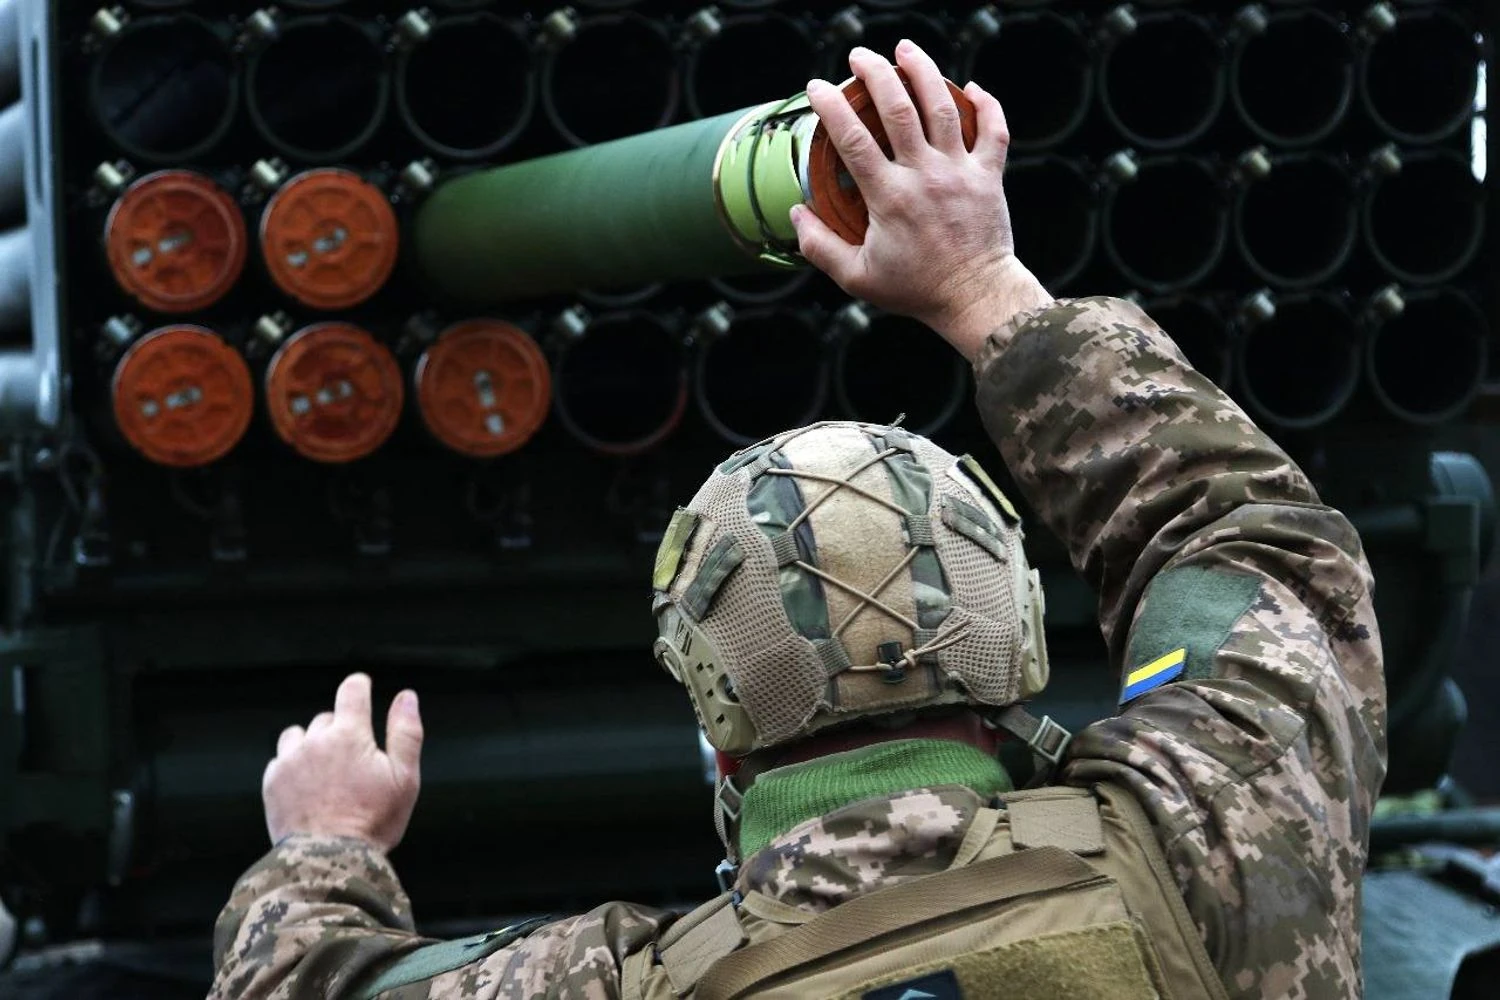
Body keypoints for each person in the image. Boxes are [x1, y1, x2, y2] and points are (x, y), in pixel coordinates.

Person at [207, 40, 1385, 1000]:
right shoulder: (1216, 835)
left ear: (717, 730)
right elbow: (1252, 540)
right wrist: (982, 287)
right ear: (1016, 650)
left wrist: (325, 845)